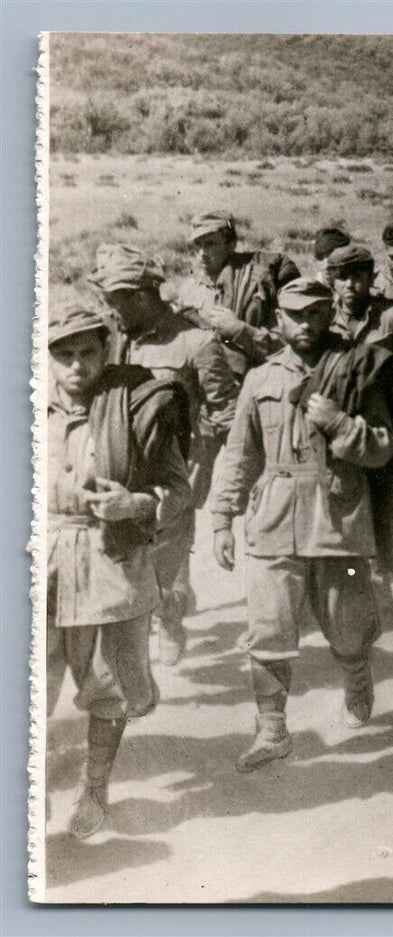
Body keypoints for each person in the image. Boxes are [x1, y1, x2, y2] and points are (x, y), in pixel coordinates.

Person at [210, 278, 393, 770]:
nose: (306, 324)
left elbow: (381, 447)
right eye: (295, 315)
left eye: (316, 313)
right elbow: (239, 453)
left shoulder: (357, 367)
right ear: (279, 320)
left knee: (349, 624)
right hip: (273, 515)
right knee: (268, 626)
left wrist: (340, 424)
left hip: (339, 515)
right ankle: (272, 729)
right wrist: (221, 519)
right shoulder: (261, 377)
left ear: (330, 313)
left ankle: (357, 678)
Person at [45, 303, 190, 838]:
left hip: (111, 562)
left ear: (106, 352)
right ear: (48, 359)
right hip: (43, 560)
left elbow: (178, 490)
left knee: (108, 684)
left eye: (87, 353)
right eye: (64, 355)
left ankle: (94, 789)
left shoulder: (135, 406)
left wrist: (136, 504)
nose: (77, 367)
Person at [90, 244, 238, 667]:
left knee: (167, 556)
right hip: (120, 464)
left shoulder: (196, 343)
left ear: (140, 297)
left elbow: (226, 413)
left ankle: (171, 621)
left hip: (176, 471)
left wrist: (200, 459)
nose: (110, 311)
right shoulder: (112, 339)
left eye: (114, 302)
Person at [174, 211, 300, 379]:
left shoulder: (258, 283)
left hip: (252, 382)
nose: (202, 253)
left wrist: (239, 330)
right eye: (198, 245)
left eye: (210, 244)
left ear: (231, 245)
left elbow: (285, 347)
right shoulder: (189, 289)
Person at [327, 244, 393, 357]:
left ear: (371, 279)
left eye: (357, 276)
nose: (349, 284)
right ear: (333, 282)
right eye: (343, 278)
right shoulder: (325, 316)